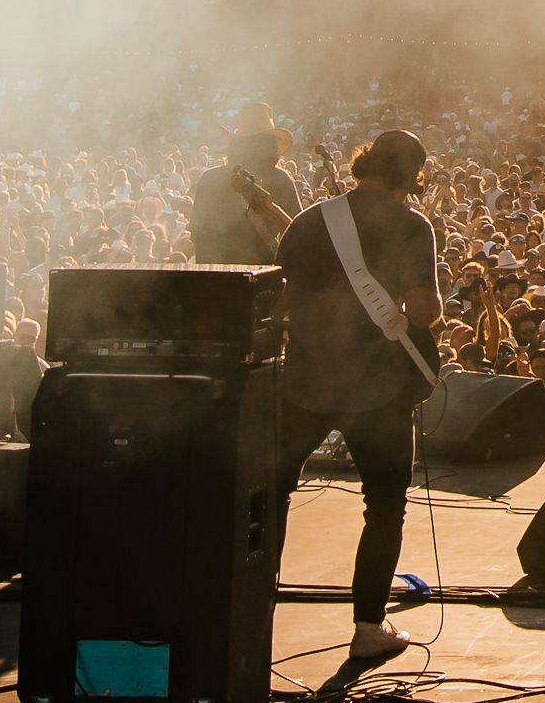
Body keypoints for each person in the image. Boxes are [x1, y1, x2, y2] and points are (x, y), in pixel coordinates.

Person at [273, 128, 443, 667]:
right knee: (384, 506)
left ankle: (251, 604)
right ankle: (369, 626)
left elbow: (278, 297)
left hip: (303, 380)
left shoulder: (306, 222)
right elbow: (422, 311)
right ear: (410, 176)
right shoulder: (412, 226)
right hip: (377, 389)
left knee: (269, 493)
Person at [190, 111, 298, 266]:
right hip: (264, 274)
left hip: (216, 274)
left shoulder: (210, 178)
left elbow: (197, 231)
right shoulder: (280, 179)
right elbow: (298, 231)